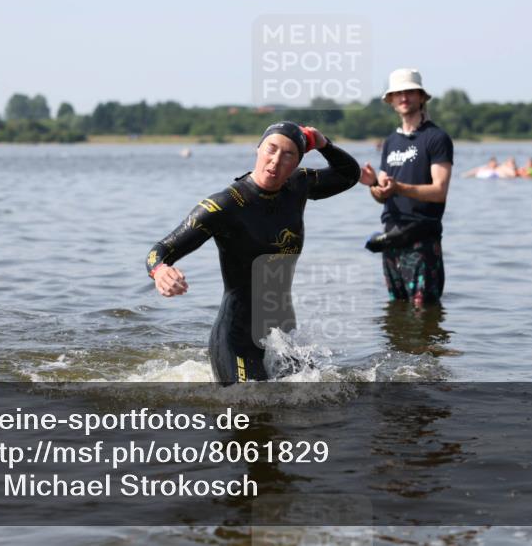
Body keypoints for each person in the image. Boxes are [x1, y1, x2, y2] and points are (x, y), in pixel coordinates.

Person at [145, 121, 359, 385]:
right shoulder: (223, 206)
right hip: (236, 336)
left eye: (288, 154)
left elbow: (350, 175)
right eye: (271, 149)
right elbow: (161, 250)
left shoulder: (298, 186)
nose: (276, 160)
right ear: (258, 149)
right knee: (250, 408)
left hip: (281, 334)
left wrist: (324, 144)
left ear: (296, 163)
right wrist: (161, 270)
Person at [359, 68, 454, 305]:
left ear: (421, 97)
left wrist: (398, 187)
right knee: (396, 309)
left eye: (409, 92)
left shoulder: (436, 138)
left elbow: (440, 191)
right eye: (397, 93)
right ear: (390, 100)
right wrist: (373, 184)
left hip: (422, 238)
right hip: (392, 236)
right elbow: (382, 193)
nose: (403, 97)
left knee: (425, 313)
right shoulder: (391, 141)